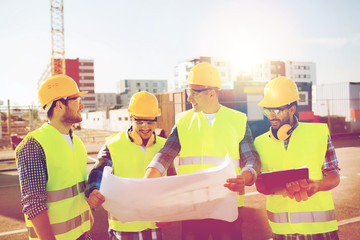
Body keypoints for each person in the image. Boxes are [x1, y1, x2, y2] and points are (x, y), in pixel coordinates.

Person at [144, 62, 261, 240]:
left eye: (194, 93)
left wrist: (244, 177)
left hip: (227, 205)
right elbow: (166, 153)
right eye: (187, 92)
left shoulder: (237, 120)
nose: (189, 98)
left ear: (211, 93)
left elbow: (251, 158)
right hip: (194, 206)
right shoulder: (183, 121)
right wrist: (147, 181)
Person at [254, 76, 340, 240]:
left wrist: (318, 185)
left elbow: (334, 176)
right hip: (282, 232)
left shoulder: (318, 134)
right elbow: (261, 186)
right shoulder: (259, 143)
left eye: (277, 110)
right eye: (267, 110)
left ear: (292, 109)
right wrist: (270, 186)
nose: (271, 116)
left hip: (320, 231)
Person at [15, 74, 92, 240]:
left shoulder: (77, 143)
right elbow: (33, 204)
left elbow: (76, 192)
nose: (82, 105)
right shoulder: (33, 145)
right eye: (76, 100)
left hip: (81, 235)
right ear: (59, 105)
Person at [85, 91, 170, 240]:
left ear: (156, 120)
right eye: (139, 122)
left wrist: (171, 211)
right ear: (131, 119)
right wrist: (93, 190)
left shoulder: (165, 147)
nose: (145, 127)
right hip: (124, 229)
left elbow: (172, 183)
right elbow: (99, 171)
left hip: (154, 226)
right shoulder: (113, 145)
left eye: (150, 122)